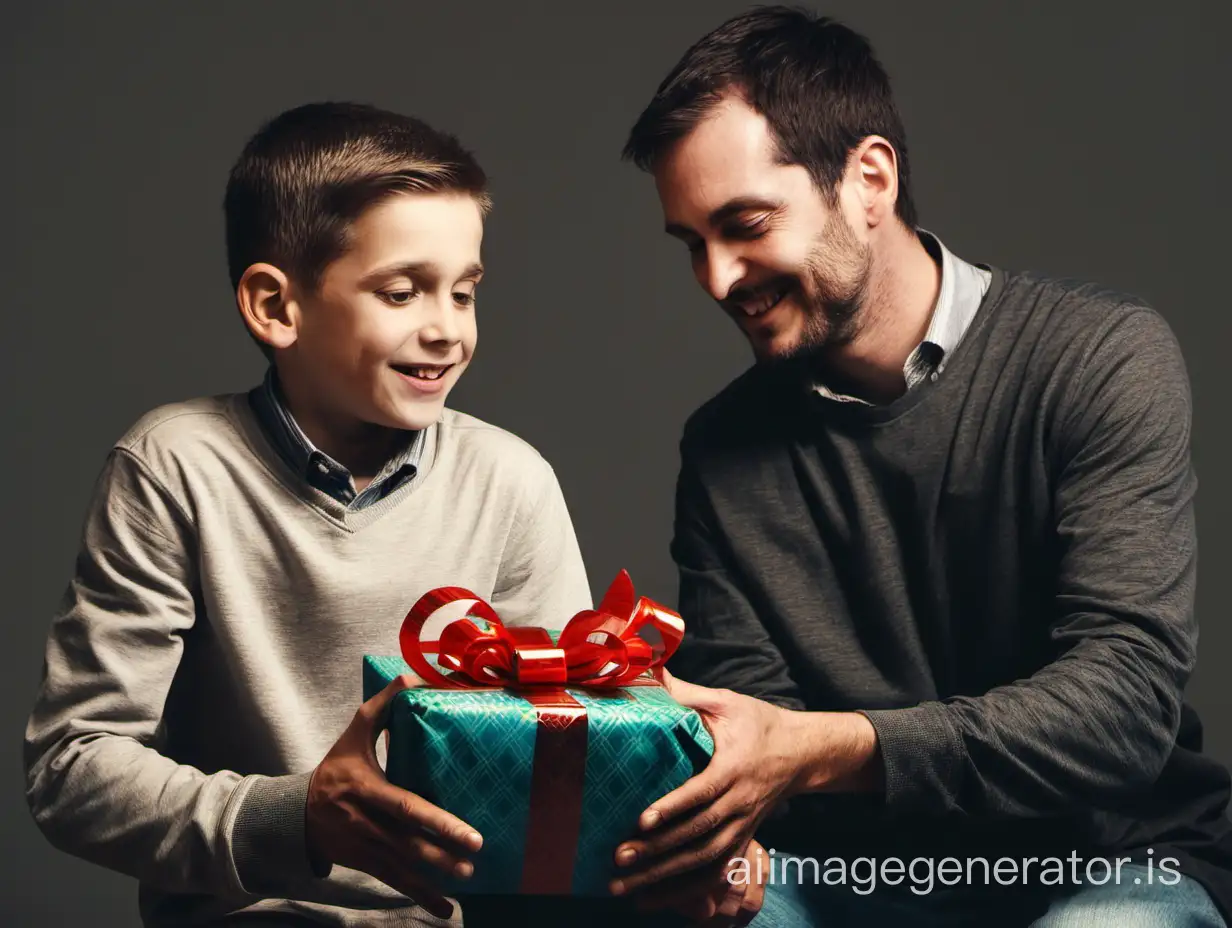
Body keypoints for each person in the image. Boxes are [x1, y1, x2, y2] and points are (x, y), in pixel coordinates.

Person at [609, 7, 1232, 926]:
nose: (718, 278)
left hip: (1113, 861)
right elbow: (757, 737)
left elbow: (1124, 708)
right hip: (851, 882)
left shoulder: (1099, 356)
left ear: (869, 180)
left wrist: (824, 746)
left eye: (745, 224)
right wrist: (725, 829)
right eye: (693, 244)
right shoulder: (722, 447)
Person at [23, 101, 595, 927]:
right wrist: (298, 819)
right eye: (402, 292)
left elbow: (572, 747)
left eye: (464, 293)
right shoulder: (174, 467)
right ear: (275, 307)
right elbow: (73, 767)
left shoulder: (511, 481)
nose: (447, 331)